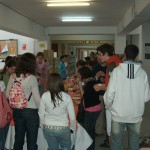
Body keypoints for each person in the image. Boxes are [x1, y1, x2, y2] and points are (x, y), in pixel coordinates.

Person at [104, 44, 150, 150]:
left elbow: (110, 94)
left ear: (124, 55)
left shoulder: (116, 72)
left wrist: (108, 106)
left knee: (116, 143)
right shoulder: (143, 73)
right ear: (136, 56)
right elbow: (146, 97)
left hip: (118, 115)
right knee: (134, 143)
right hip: (136, 115)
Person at [6, 53, 41, 150]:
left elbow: (7, 95)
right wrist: (43, 111)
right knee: (31, 140)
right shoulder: (32, 78)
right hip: (31, 112)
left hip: (17, 111)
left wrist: (18, 99)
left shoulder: (13, 76)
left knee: (18, 138)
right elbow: (37, 99)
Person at [39, 73, 76, 150]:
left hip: (48, 127)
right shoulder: (67, 97)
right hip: (63, 128)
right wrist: (72, 128)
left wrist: (43, 126)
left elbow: (41, 114)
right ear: (61, 83)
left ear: (48, 83)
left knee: (52, 148)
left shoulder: (44, 96)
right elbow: (72, 116)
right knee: (66, 148)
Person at [94, 43, 121, 147]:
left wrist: (100, 87)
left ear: (105, 54)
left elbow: (111, 87)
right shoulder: (115, 61)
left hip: (113, 101)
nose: (98, 57)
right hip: (116, 100)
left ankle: (111, 143)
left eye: (100, 55)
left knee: (112, 128)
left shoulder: (111, 64)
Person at [78, 66, 101, 150]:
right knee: (91, 131)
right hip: (95, 109)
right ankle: (91, 148)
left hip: (91, 110)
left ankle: (89, 148)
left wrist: (80, 85)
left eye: (79, 75)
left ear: (84, 75)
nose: (78, 77)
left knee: (87, 133)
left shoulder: (90, 83)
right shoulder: (91, 81)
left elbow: (85, 96)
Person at [0, 59, 16, 150]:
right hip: (4, 108)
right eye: (12, 69)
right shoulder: (3, 80)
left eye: (15, 69)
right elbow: (7, 95)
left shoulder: (11, 77)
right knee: (3, 129)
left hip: (5, 107)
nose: (13, 71)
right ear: (7, 68)